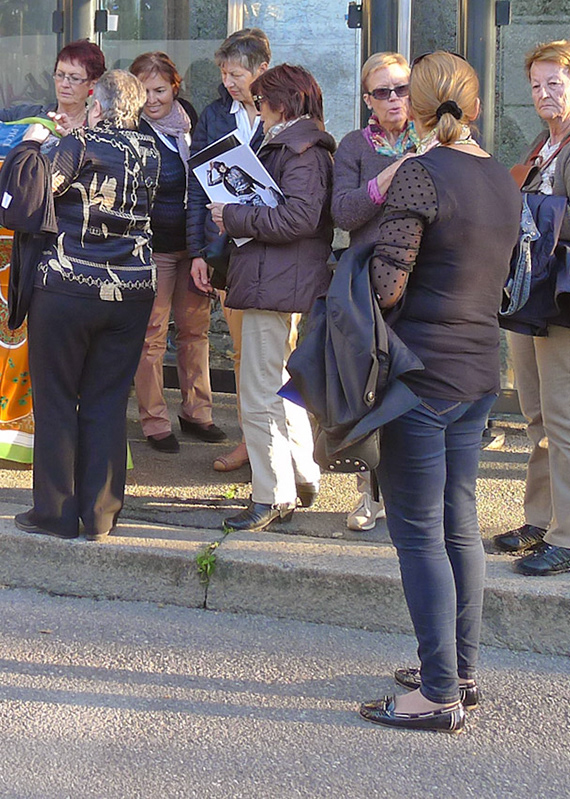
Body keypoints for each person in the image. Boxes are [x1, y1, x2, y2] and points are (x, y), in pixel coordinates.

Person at [360, 51, 519, 733]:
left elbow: (387, 284)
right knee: (459, 522)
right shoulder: (501, 177)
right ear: (474, 107)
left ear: (418, 110)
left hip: (423, 374)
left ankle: (437, 694)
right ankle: (460, 671)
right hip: (480, 368)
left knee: (419, 530)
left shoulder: (420, 174)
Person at [12, 69, 160, 541]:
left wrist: (34, 143)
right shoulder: (152, 149)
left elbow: (36, 190)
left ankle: (55, 512)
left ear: (96, 104)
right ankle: (101, 515)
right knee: (108, 400)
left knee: (57, 399)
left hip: (68, 285)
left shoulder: (81, 143)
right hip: (133, 290)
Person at [493, 39, 570, 577]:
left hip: (567, 297)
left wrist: (519, 210)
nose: (544, 93)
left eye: (555, 83)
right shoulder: (546, 141)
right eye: (536, 85)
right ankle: (542, 521)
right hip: (533, 295)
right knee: (538, 416)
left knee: (566, 417)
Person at [210, 64, 333, 532]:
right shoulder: (303, 145)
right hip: (281, 279)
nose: (256, 109)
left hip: (273, 282)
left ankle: (271, 494)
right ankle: (301, 474)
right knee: (281, 384)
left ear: (281, 103)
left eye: (260, 101)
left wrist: (233, 215)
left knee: (260, 391)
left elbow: (299, 219)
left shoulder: (298, 150)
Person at [329, 51, 417, 532]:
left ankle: (416, 495)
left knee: (418, 390)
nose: (394, 99)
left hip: (424, 282)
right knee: (371, 390)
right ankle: (370, 493)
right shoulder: (353, 147)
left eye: (402, 88)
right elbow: (343, 213)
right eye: (383, 92)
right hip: (371, 285)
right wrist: (386, 178)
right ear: (368, 100)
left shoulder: (436, 140)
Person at [129, 51, 225, 454]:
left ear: (175, 87)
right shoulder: (134, 129)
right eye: (144, 91)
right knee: (152, 335)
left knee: (194, 331)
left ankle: (197, 412)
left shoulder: (189, 119)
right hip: (155, 247)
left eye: (159, 90)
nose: (152, 100)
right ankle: (154, 421)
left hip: (194, 245)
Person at [187, 28, 270, 474]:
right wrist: (199, 251)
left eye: (236, 73)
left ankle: (284, 440)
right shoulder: (215, 115)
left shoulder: (283, 112)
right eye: (224, 73)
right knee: (241, 351)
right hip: (225, 249)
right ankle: (249, 438)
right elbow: (196, 186)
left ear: (262, 70)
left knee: (280, 351)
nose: (228, 82)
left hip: (276, 250)